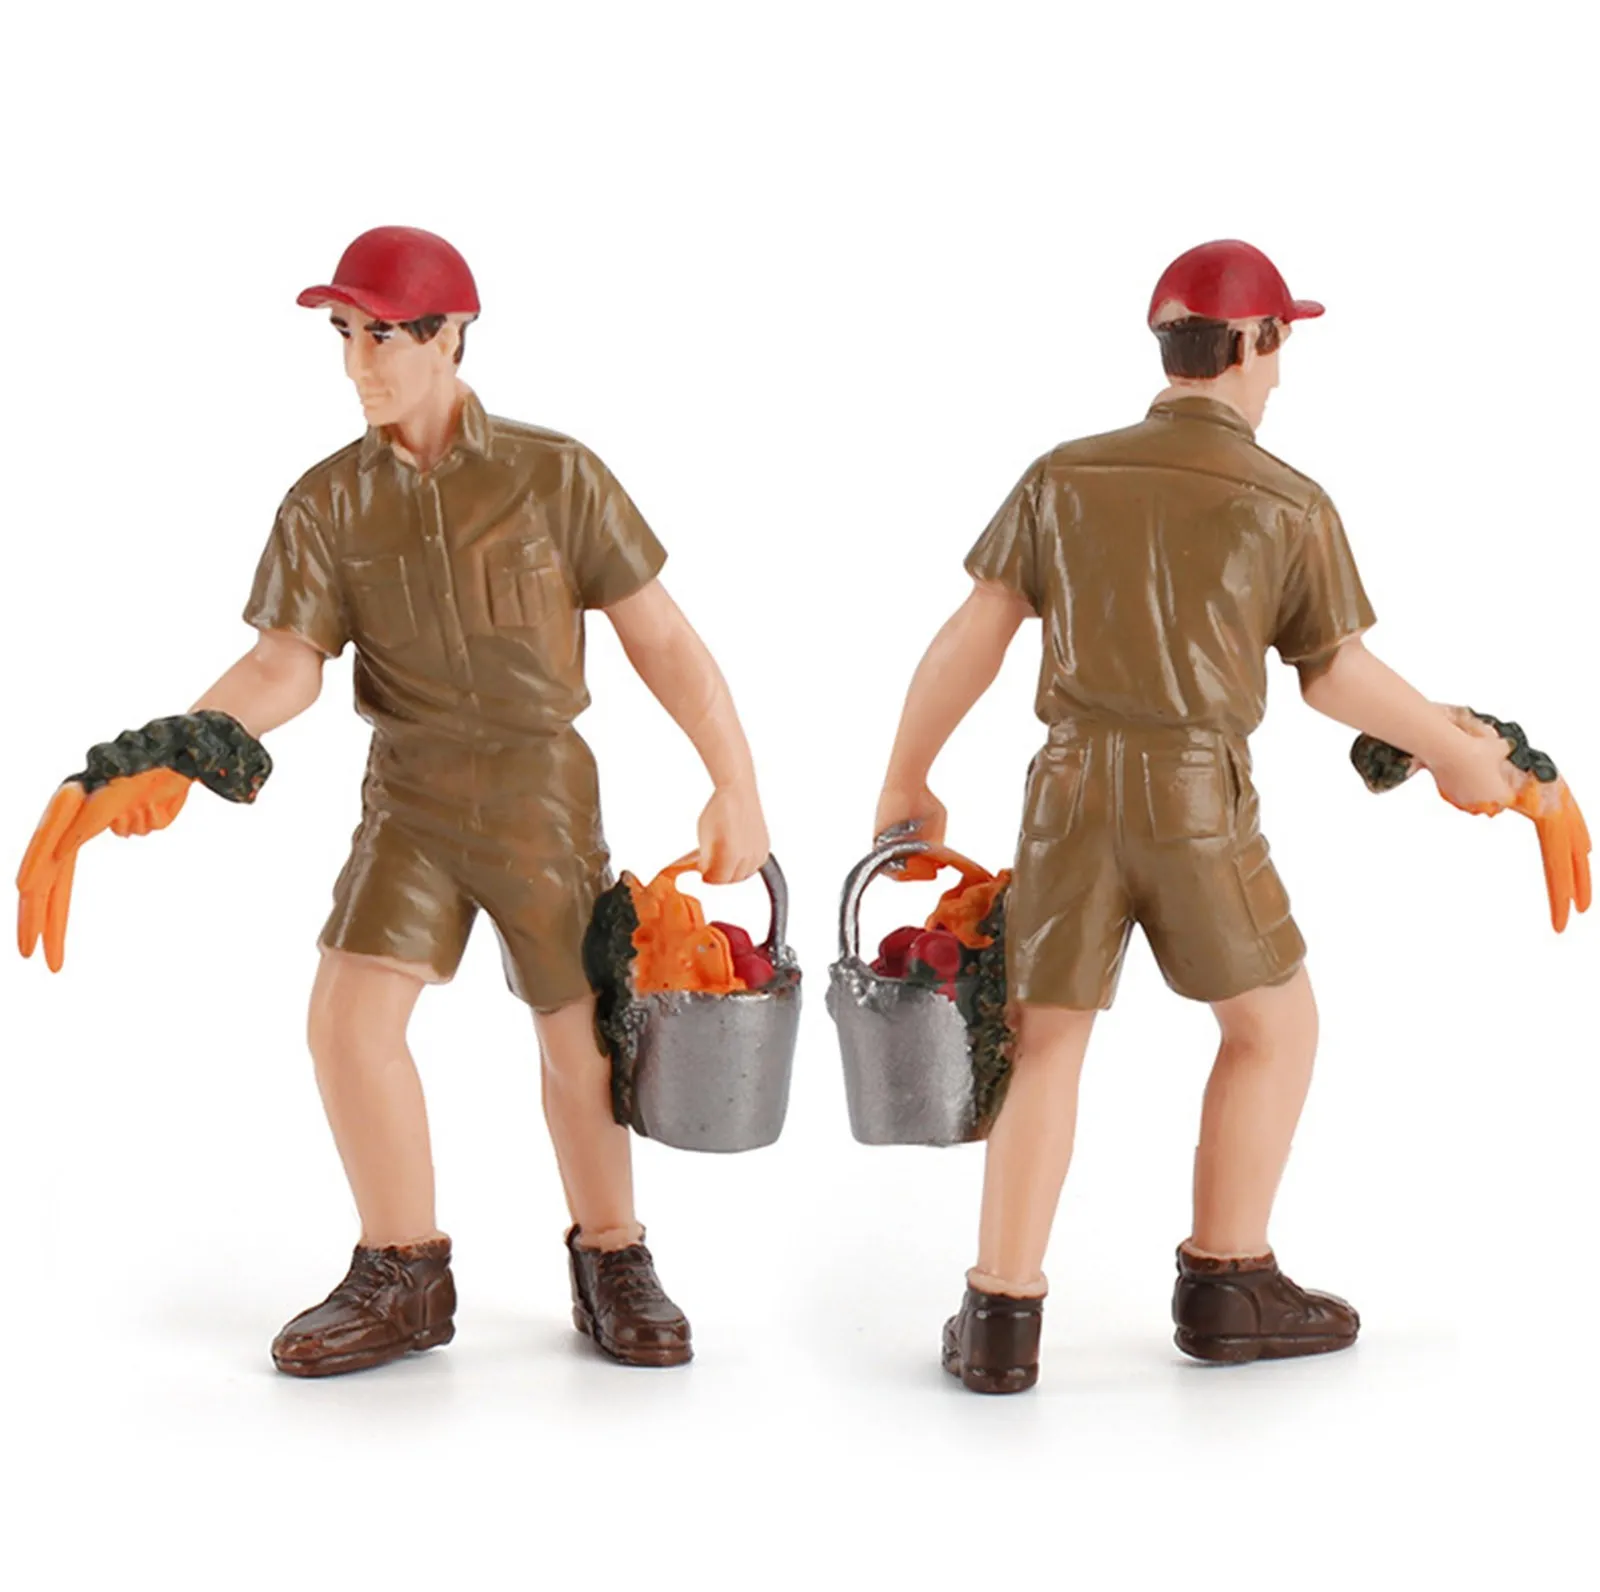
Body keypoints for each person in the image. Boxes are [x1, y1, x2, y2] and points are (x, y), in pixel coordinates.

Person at [18, 226, 771, 1377]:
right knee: (348, 1022)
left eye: (382, 336)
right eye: (346, 335)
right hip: (410, 797)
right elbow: (284, 665)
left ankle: (613, 1253)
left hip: (537, 793)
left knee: (578, 1036)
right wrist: (168, 751)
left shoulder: (557, 475)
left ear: (450, 334)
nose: (359, 363)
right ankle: (403, 1271)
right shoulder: (327, 503)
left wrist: (735, 779)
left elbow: (659, 635)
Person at [874, 238, 1535, 1393]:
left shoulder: (1062, 476)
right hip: (1192, 795)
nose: (1279, 373)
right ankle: (1228, 1281)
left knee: (1044, 1043)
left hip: (1068, 793)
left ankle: (998, 1315)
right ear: (1252, 342)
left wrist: (905, 779)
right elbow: (1335, 675)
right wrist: (1455, 748)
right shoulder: (1286, 501)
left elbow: (971, 636)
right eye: (1278, 348)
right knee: (1274, 1025)